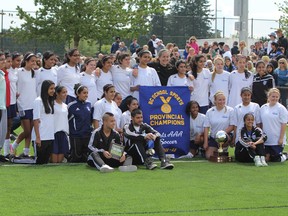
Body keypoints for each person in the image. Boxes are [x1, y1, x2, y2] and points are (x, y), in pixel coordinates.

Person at [11, 53, 37, 157]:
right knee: (26, 130)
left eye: (35, 61)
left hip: (33, 105)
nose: (34, 63)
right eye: (32, 61)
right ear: (26, 61)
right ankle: (13, 146)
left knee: (30, 130)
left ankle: (26, 152)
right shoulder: (19, 72)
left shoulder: (34, 73)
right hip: (23, 105)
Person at [260, 88, 288, 162]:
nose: (275, 98)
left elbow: (284, 124)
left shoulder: (281, 109)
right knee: (266, 159)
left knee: (275, 159)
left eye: (276, 97)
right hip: (266, 139)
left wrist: (281, 138)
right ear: (268, 97)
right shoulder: (263, 108)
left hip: (276, 140)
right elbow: (261, 123)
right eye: (273, 96)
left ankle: (285, 155)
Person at [203, 91, 234, 159]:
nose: (222, 102)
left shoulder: (230, 110)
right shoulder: (210, 111)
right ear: (215, 101)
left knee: (223, 139)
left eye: (223, 100)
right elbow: (206, 127)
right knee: (209, 156)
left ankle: (224, 148)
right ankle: (216, 150)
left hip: (226, 136)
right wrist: (205, 142)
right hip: (213, 137)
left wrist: (221, 133)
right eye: (219, 100)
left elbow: (232, 126)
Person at [68, 84, 92, 162]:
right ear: (78, 94)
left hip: (87, 135)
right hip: (76, 136)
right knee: (76, 158)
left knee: (85, 159)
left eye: (87, 93)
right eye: (84, 93)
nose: (86, 95)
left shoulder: (89, 104)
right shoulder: (71, 106)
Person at [32, 80, 55, 164]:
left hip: (49, 136)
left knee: (45, 162)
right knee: (39, 162)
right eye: (51, 88)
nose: (53, 91)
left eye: (54, 88)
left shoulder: (50, 101)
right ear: (45, 89)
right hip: (41, 137)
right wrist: (38, 137)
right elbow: (36, 120)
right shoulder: (38, 101)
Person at [52, 86, 69, 163]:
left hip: (63, 133)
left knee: (59, 160)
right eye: (63, 92)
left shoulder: (66, 106)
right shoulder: (52, 105)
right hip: (54, 133)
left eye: (66, 92)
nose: (65, 94)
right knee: (54, 160)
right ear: (57, 93)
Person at [0, 53, 7, 161]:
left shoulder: (2, 73)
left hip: (2, 106)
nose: (3, 62)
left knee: (2, 131)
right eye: (1, 60)